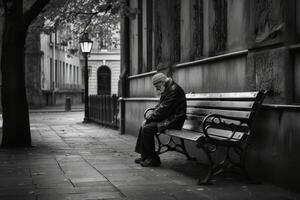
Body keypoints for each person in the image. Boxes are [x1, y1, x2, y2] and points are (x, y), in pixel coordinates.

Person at [134, 72, 187, 167]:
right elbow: (160, 106)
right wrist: (149, 118)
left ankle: (153, 159)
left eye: (156, 86)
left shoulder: (173, 90)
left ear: (162, 82)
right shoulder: (168, 88)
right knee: (144, 125)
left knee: (147, 128)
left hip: (175, 120)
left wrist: (149, 118)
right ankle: (145, 155)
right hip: (168, 118)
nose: (156, 89)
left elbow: (164, 109)